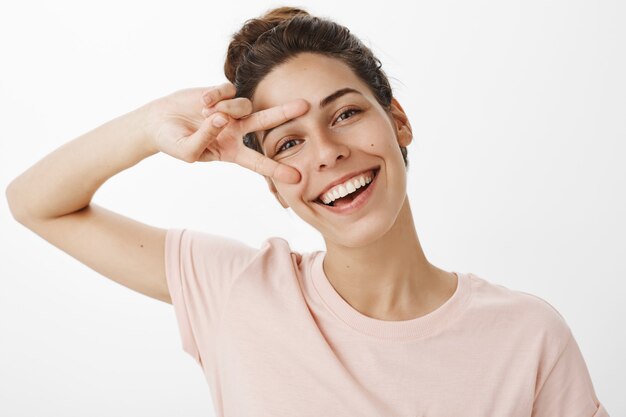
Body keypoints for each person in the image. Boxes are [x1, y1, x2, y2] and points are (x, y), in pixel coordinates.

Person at [6, 6, 609, 417]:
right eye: (288, 142)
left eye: (345, 113)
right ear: (273, 183)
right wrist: (148, 123)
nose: (328, 154)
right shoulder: (237, 289)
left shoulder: (527, 336)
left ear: (398, 120)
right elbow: (35, 204)